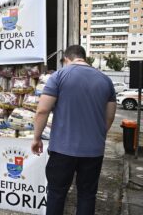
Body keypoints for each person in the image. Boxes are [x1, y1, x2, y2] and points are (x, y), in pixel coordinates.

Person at [31, 45, 116, 215]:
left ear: (66, 59)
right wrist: (97, 136)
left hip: (62, 150)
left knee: (56, 194)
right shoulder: (105, 80)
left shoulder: (59, 76)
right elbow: (110, 116)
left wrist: (36, 138)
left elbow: (42, 110)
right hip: (93, 151)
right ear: (84, 58)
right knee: (87, 195)